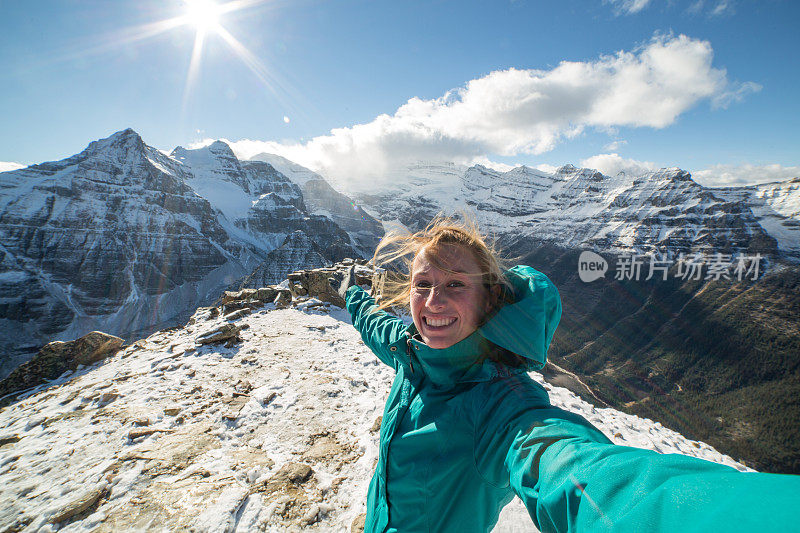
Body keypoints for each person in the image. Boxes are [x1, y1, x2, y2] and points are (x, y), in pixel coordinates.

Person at [329, 216, 800, 533]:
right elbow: (377, 326)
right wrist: (353, 297)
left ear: (490, 300)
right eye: (423, 285)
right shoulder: (412, 350)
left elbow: (564, 464)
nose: (432, 302)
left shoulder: (501, 404)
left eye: (455, 284)